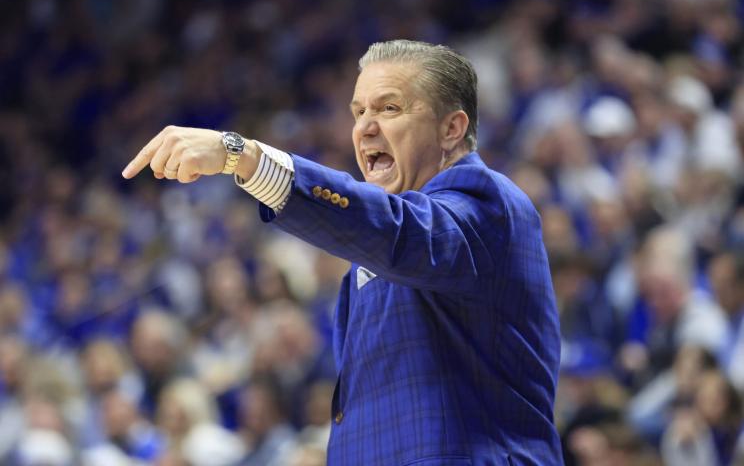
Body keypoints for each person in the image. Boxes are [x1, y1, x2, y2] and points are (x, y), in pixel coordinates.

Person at [122, 40, 563, 465]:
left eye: (389, 108)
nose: (366, 127)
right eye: (359, 112)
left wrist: (245, 157)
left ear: (451, 128)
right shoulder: (370, 256)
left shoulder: (486, 203)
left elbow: (398, 231)